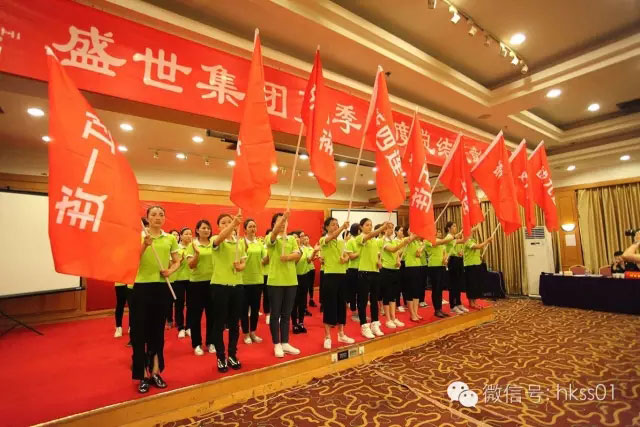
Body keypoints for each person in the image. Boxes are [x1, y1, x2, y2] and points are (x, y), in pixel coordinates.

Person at [131, 205, 180, 393]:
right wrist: (144, 245)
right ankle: (142, 375)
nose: (158, 217)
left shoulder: (169, 239)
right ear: (148, 218)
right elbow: (132, 260)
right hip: (141, 287)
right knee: (139, 334)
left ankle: (156, 372)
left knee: (157, 333)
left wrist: (170, 270)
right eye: (154, 214)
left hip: (161, 287)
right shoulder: (139, 237)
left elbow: (177, 260)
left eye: (161, 215)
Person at [210, 213, 246, 372]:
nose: (226, 224)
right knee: (219, 323)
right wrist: (233, 224)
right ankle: (220, 356)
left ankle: (232, 354)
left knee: (234, 323)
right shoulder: (216, 240)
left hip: (237, 286)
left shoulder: (240, 243)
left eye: (229, 222)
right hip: (220, 286)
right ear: (218, 227)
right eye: (223, 223)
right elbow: (220, 239)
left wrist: (240, 266)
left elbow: (244, 262)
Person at [266, 212, 302, 358]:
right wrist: (281, 221)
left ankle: (285, 342)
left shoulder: (292, 238)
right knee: (275, 314)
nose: (282, 224)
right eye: (279, 221)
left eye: (284, 221)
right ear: (273, 224)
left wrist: (287, 257)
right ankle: (277, 344)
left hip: (291, 280)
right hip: (275, 281)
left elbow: (298, 254)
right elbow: (273, 236)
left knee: (286, 314)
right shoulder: (271, 237)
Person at [319, 217, 355, 349]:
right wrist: (342, 228)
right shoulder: (323, 240)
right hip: (330, 276)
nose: (335, 226)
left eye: (337, 224)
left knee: (341, 305)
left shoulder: (341, 242)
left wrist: (345, 259)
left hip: (342, 275)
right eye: (333, 224)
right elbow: (331, 237)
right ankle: (327, 336)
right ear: (326, 227)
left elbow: (347, 256)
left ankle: (341, 333)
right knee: (329, 305)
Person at [355, 218, 390, 339]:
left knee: (374, 300)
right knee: (363, 301)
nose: (369, 227)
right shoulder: (360, 238)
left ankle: (375, 323)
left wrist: (379, 262)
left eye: (371, 225)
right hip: (363, 272)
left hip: (375, 272)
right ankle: (364, 326)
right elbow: (369, 236)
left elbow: (378, 254)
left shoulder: (375, 241)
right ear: (361, 227)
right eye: (367, 225)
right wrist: (382, 228)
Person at [186, 219, 215, 356]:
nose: (206, 230)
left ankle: (211, 342)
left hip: (213, 283)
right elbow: (191, 265)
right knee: (195, 315)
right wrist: (197, 254)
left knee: (212, 314)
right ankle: (196, 343)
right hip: (196, 284)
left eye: (208, 228)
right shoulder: (192, 245)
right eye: (203, 228)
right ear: (197, 230)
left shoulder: (214, 244)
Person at [380, 224, 417, 329]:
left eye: (392, 228)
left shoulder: (393, 241)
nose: (391, 230)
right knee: (387, 295)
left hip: (395, 269)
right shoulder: (382, 241)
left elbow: (396, 253)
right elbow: (392, 249)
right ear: (384, 230)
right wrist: (403, 243)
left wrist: (398, 261)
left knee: (393, 295)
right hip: (386, 269)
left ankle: (393, 317)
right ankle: (388, 319)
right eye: (389, 228)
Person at [241, 219, 268, 344]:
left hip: (257, 280)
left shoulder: (260, 243)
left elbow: (265, 260)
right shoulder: (241, 243)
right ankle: (246, 334)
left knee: (255, 309)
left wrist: (271, 251)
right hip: (243, 280)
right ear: (245, 229)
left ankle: (253, 332)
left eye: (254, 226)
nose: (253, 228)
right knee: (244, 310)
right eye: (250, 226)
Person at [292, 231, 319, 333]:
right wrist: (299, 250)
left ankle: (301, 322)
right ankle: (294, 324)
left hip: (304, 276)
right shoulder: (292, 249)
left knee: (303, 301)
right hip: (294, 277)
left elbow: (308, 260)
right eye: (301, 236)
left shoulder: (305, 248)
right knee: (295, 302)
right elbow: (294, 262)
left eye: (304, 236)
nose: (303, 238)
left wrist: (314, 251)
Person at [424, 231, 455, 318]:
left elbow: (444, 252)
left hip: (441, 266)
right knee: (436, 288)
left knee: (440, 288)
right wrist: (452, 237)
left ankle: (440, 309)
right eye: (436, 232)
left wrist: (445, 259)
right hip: (434, 266)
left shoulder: (441, 242)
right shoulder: (428, 240)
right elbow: (440, 242)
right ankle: (436, 310)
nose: (438, 233)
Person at [169, 227, 192, 338]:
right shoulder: (176, 248)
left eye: (190, 234)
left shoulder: (194, 247)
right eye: (186, 234)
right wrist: (180, 261)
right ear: (181, 236)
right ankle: (181, 327)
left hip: (192, 279)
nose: (189, 236)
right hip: (178, 279)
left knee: (191, 304)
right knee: (179, 304)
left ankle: (189, 327)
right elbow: (171, 264)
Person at [463, 233, 494, 309]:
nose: (471, 233)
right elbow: (478, 246)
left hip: (477, 264)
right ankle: (471, 303)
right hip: (470, 265)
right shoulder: (467, 241)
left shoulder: (473, 240)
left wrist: (478, 256)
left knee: (476, 284)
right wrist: (487, 241)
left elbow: (475, 250)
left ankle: (474, 302)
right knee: (471, 284)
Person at [444, 222, 468, 315]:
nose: (455, 227)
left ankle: (458, 303)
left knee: (458, 283)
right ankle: (453, 305)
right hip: (452, 260)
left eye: (456, 226)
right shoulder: (448, 237)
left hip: (458, 260)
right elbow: (451, 241)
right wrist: (455, 237)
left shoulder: (455, 237)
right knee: (453, 284)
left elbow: (463, 241)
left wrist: (468, 231)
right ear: (449, 228)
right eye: (453, 226)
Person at [403, 231, 424, 322]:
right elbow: (410, 239)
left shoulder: (417, 242)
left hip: (418, 266)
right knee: (410, 291)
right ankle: (412, 314)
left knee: (417, 291)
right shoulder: (407, 239)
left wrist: (420, 251)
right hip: (410, 267)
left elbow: (419, 254)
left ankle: (415, 312)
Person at [345, 223, 362, 321]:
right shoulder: (351, 241)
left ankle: (360, 312)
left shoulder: (362, 240)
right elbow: (351, 256)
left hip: (362, 268)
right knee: (353, 292)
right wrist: (360, 252)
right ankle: (354, 312)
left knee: (361, 292)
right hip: (353, 269)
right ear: (358, 231)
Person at [394, 225, 408, 312]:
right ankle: (398, 304)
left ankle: (406, 302)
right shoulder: (395, 241)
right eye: (400, 230)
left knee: (405, 283)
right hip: (398, 263)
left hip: (405, 262)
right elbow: (395, 252)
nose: (402, 232)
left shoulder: (404, 240)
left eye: (403, 230)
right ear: (396, 232)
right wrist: (402, 250)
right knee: (398, 285)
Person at [262, 228, 272, 325]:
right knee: (267, 295)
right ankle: (268, 314)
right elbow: (262, 262)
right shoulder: (263, 247)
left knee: (275, 296)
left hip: (275, 274)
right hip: (265, 274)